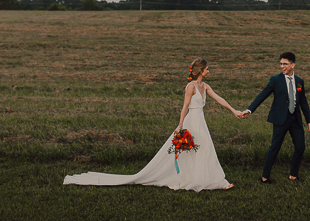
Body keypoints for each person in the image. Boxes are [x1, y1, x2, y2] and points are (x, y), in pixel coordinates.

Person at [64, 58, 242, 191]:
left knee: (206, 149)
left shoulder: (206, 86)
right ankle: (199, 180)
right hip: (191, 122)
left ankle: (213, 180)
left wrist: (234, 110)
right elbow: (184, 107)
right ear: (201, 70)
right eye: (207, 69)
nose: (209, 71)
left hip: (201, 122)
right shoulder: (190, 87)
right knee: (194, 150)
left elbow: (219, 99)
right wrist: (180, 126)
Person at [241, 52, 310, 183]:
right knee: (275, 147)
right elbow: (263, 95)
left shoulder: (299, 82)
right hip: (280, 119)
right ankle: (265, 177)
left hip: (295, 120)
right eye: (281, 64)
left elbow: (303, 102)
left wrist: (309, 120)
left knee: (300, 147)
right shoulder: (275, 79)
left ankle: (293, 175)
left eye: (285, 64)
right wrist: (249, 110)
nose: (282, 66)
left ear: (293, 65)